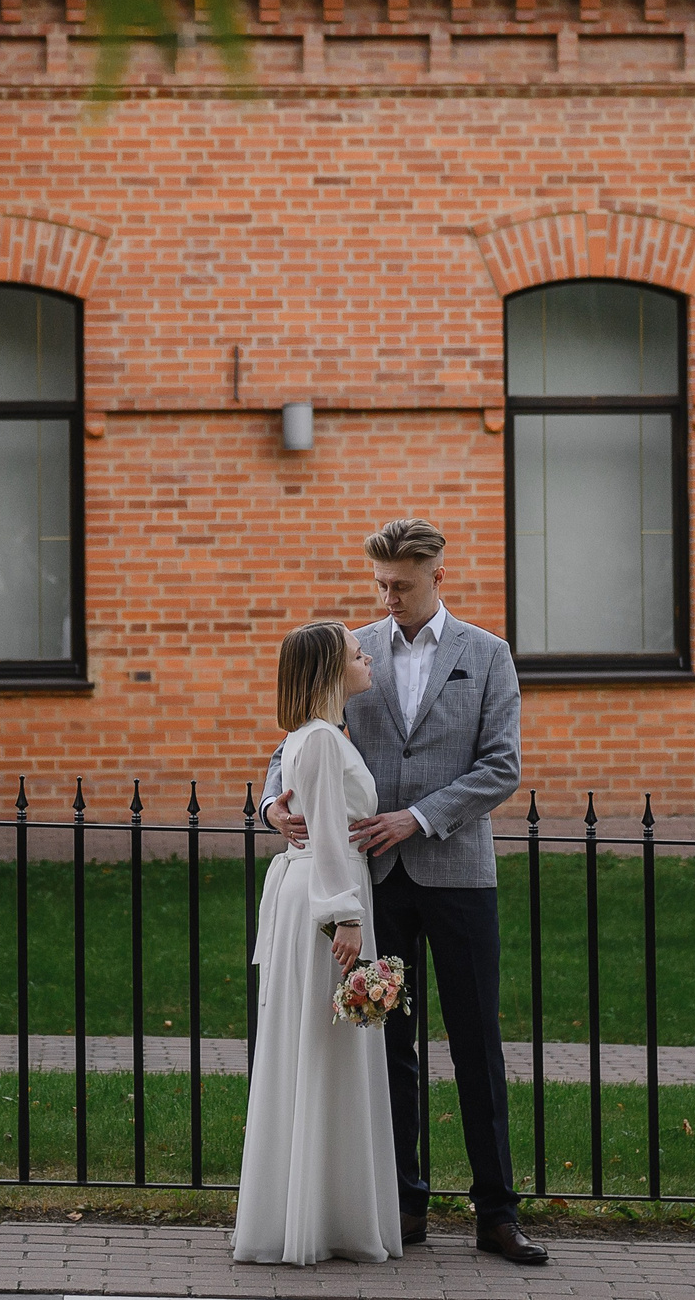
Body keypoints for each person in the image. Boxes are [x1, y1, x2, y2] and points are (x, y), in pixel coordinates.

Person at [262, 518, 546, 1265]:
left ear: (437, 577)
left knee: (477, 1042)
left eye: (401, 585)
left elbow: (500, 767)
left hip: (457, 875)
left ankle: (497, 1214)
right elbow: (294, 740)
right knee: (384, 1045)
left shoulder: (487, 655)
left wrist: (416, 819)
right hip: (370, 884)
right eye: (379, 584)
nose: (387, 598)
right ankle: (402, 1204)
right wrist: (274, 805)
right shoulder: (351, 649)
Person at [232, 620, 403, 1266]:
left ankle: (312, 1207)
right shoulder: (324, 744)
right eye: (359, 656)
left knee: (317, 1052)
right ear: (333, 672)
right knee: (329, 1053)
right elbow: (330, 833)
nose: (369, 661)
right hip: (327, 904)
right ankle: (331, 1215)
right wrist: (347, 917)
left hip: (311, 897)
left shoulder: (308, 738)